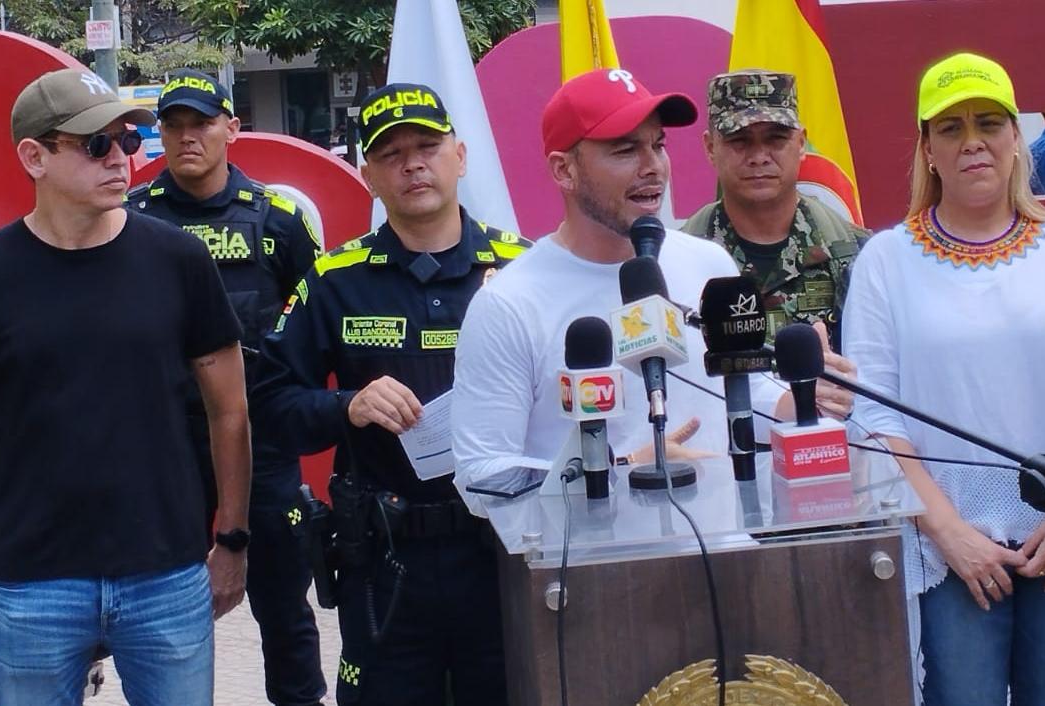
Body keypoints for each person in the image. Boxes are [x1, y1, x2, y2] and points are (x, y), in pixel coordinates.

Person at [0, 68, 250, 704]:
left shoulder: (180, 262)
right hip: (31, 582)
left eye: (128, 140)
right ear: (34, 157)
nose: (121, 158)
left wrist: (232, 539)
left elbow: (231, 412)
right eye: (95, 145)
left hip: (165, 572)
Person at [845, 52, 1045, 706]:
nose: (973, 143)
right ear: (927, 149)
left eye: (990, 122)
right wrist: (948, 531)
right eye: (951, 127)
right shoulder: (885, 261)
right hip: (953, 558)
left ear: (1016, 137)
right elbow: (873, 417)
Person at [451, 68, 854, 495]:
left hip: (727, 547)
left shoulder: (708, 263)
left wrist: (806, 400)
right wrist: (622, 466)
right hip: (594, 559)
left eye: (658, 146)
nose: (652, 168)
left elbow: (744, 389)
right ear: (564, 170)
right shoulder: (508, 304)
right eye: (625, 151)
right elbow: (483, 477)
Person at [251, 82, 525, 706]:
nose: (413, 164)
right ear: (369, 174)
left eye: (427, 146)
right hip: (385, 563)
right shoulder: (333, 280)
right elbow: (267, 405)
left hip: (502, 553)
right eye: (390, 153)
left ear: (460, 154)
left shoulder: (519, 270)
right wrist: (345, 405)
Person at [126, 68, 327, 706]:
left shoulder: (281, 216)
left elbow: (319, 318)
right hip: (163, 447)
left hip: (260, 440)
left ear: (231, 128)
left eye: (202, 123)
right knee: (164, 612)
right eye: (174, 125)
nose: (188, 137)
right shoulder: (130, 219)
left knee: (283, 604)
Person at [682, 69, 870, 351]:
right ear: (710, 148)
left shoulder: (857, 253)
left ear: (801, 143)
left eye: (775, 139)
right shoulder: (679, 259)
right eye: (739, 140)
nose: (759, 157)